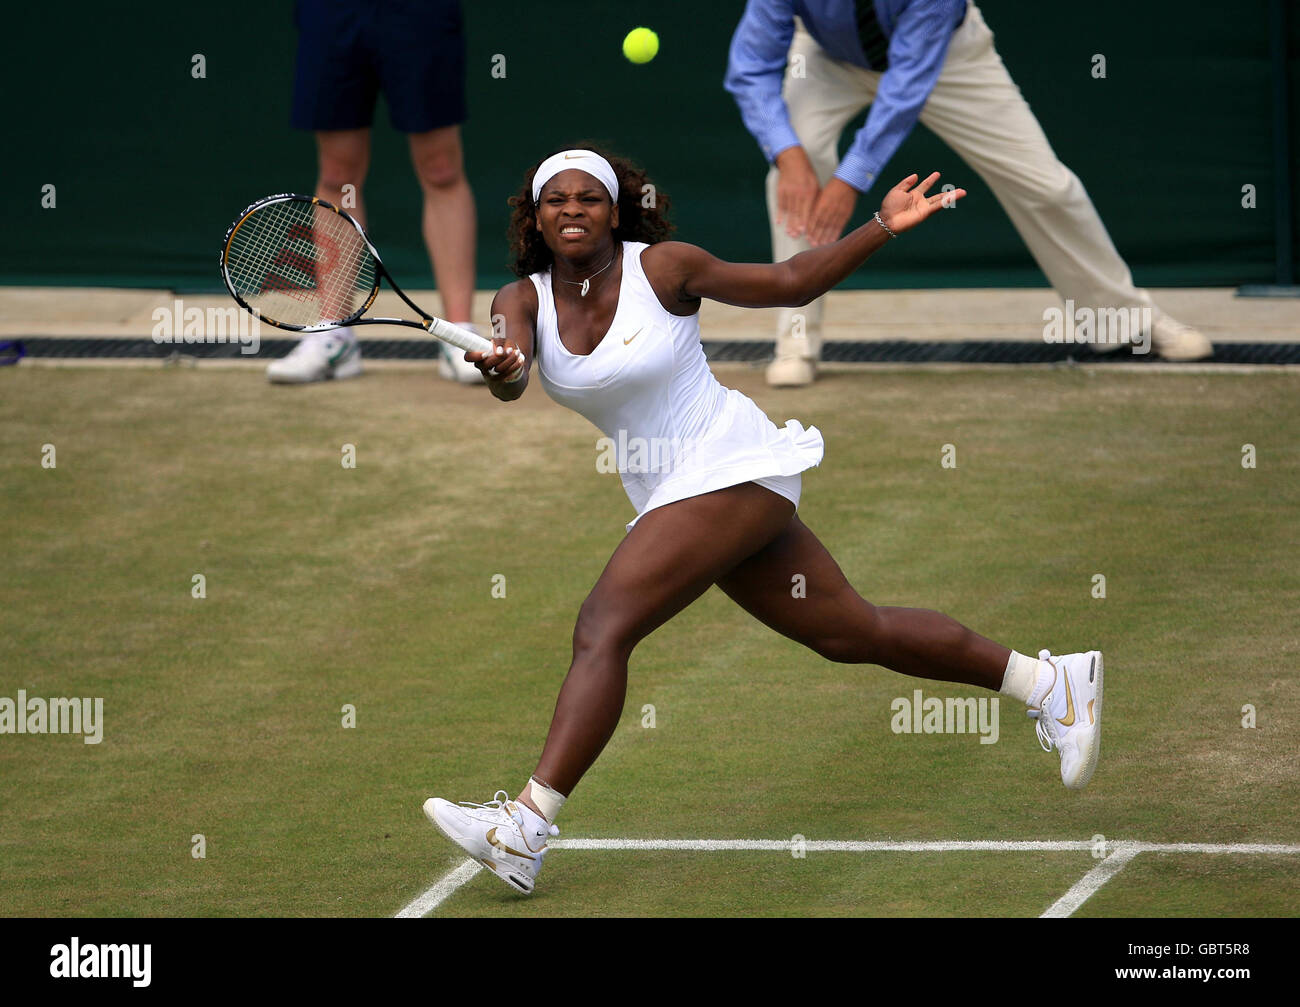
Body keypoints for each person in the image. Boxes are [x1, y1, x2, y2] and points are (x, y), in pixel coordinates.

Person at [422, 147, 1103, 895]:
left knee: (603, 626)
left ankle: (525, 826)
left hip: (729, 463)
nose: (573, 209)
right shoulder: (522, 298)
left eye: (590, 198)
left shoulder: (667, 268)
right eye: (557, 200)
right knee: (852, 632)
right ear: (537, 217)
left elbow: (788, 283)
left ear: (616, 212)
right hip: (680, 491)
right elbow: (513, 370)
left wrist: (882, 224)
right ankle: (1051, 683)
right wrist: (504, 368)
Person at [724, 0, 1213, 386]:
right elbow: (749, 64)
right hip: (827, 57)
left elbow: (907, 86)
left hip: (947, 55)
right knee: (792, 168)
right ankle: (795, 342)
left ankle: (1123, 321)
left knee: (1048, 187)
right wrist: (789, 157)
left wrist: (851, 179)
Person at [270, 0, 483, 384]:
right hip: (333, 13)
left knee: (442, 169)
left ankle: (457, 334)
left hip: (418, 14)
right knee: (337, 172)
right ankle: (334, 336)